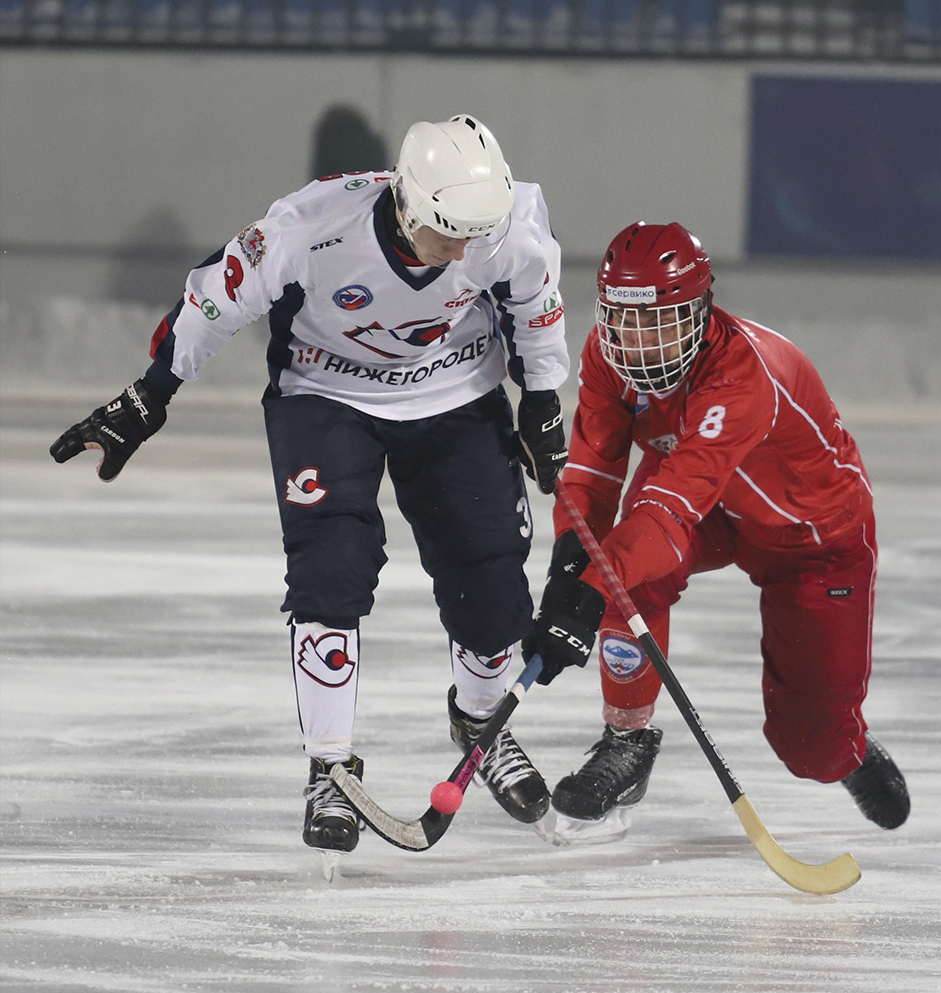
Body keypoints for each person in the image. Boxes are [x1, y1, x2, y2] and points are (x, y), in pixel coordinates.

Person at [50, 115, 571, 859]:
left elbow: (534, 302)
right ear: (410, 205)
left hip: (457, 393)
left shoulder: (505, 225)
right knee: (329, 573)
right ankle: (330, 765)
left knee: (492, 585)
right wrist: (148, 398)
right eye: (449, 233)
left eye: (476, 234)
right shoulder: (306, 229)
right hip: (326, 397)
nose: (464, 251)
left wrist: (545, 398)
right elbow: (211, 301)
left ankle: (482, 722)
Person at [524, 221, 909, 840]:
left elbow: (670, 517)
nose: (640, 343)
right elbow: (592, 476)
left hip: (811, 539)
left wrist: (592, 585)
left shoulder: (741, 376)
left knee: (806, 747)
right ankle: (627, 742)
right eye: (624, 319)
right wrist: (567, 569)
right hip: (713, 507)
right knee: (625, 568)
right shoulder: (607, 354)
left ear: (701, 313)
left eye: (661, 321)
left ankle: (847, 751)